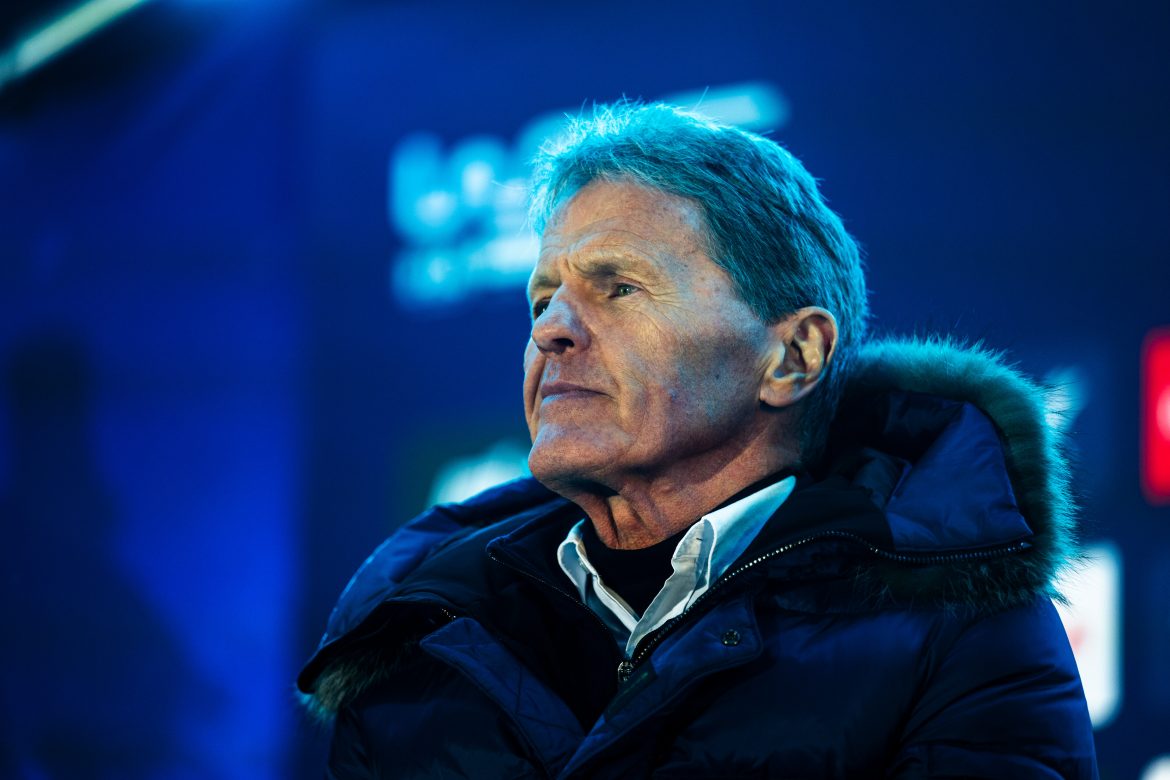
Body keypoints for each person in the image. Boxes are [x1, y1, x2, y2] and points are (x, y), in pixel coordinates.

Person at [298, 103, 1098, 778]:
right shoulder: (418, 659)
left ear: (793, 357)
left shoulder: (962, 633)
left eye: (618, 287)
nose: (551, 332)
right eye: (542, 300)